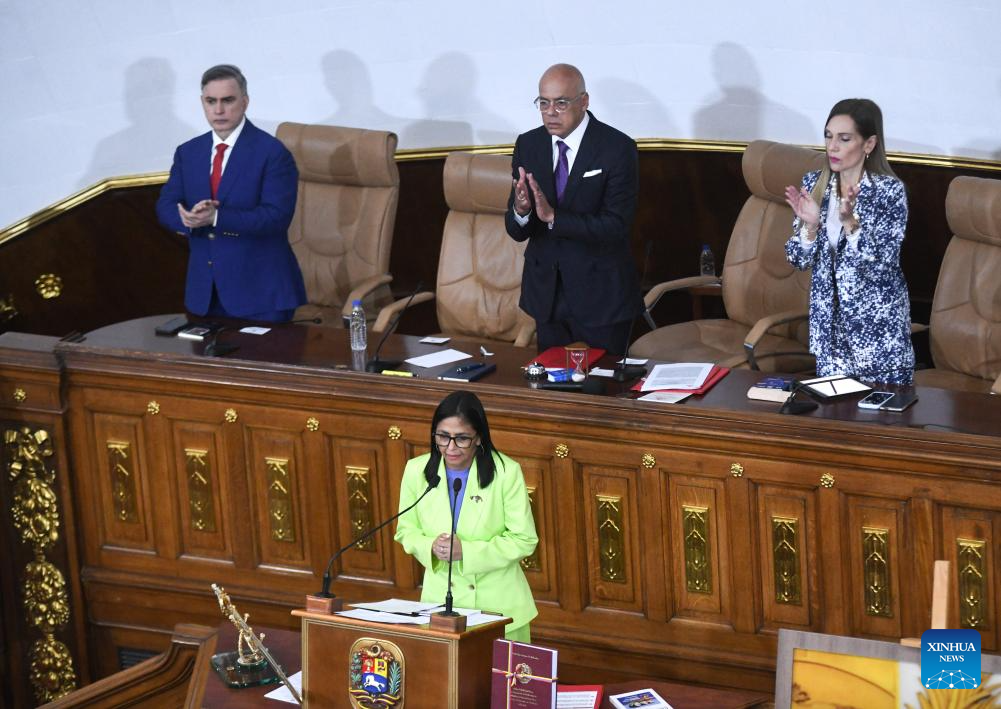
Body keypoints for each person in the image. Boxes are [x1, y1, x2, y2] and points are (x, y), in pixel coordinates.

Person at [505, 63, 642, 353]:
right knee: (550, 390)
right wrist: (521, 209)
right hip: (547, 296)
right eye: (543, 102)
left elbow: (616, 225)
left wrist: (555, 217)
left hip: (601, 297)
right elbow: (517, 230)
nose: (550, 112)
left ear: (584, 101)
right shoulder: (528, 145)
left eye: (561, 102)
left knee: (601, 391)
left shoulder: (617, 148)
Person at [156, 64, 306, 322]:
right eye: (210, 101)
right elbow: (166, 204)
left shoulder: (272, 153)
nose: (219, 110)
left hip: (260, 294)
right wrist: (186, 219)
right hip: (205, 294)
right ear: (202, 103)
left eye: (228, 100)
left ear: (245, 102)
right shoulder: (188, 152)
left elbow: (276, 217)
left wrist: (216, 218)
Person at [784, 98, 914, 384]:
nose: (832, 146)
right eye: (828, 136)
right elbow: (798, 259)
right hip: (829, 334)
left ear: (869, 144)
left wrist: (851, 224)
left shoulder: (888, 192)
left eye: (844, 139)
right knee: (833, 422)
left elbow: (883, 266)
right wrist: (811, 224)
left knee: (881, 425)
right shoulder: (814, 184)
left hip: (877, 335)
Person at [394, 390, 538, 641]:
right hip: (440, 610)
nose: (450, 448)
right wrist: (431, 547)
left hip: (500, 612)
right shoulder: (417, 470)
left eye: (461, 438)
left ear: (479, 437)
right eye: (443, 437)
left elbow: (524, 539)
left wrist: (467, 553)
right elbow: (405, 530)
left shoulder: (507, 473)